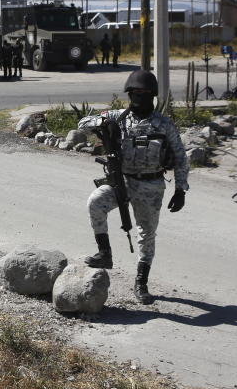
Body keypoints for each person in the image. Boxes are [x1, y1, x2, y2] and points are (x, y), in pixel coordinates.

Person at [77, 69, 189, 304]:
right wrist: (103, 123)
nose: (138, 97)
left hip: (151, 185)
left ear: (152, 95)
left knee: (146, 235)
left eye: (143, 93)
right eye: (134, 93)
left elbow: (180, 156)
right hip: (122, 181)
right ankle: (104, 254)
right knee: (95, 203)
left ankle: (141, 283)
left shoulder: (163, 124)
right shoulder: (119, 116)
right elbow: (83, 123)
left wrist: (180, 189)